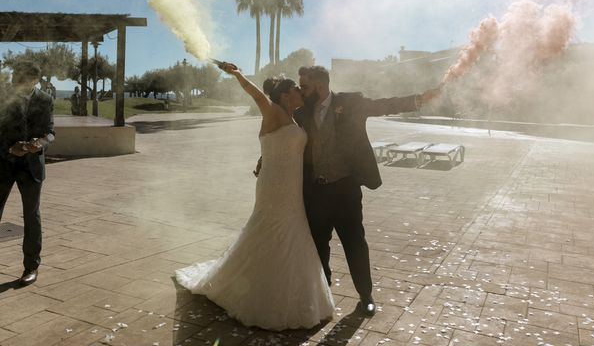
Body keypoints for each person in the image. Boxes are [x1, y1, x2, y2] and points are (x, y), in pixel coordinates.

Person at [175, 63, 334, 331]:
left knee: (293, 232)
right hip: (273, 187)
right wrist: (236, 74)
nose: (300, 93)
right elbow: (255, 93)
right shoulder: (272, 111)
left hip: (291, 188)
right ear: (285, 95)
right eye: (296, 89)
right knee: (269, 229)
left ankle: (294, 294)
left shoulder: (295, 117)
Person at [295, 65, 441, 317]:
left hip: (346, 190)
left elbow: (384, 105)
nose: (301, 90)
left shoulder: (351, 103)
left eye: (305, 85)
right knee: (319, 245)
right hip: (315, 192)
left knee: (355, 243)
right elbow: (286, 139)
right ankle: (324, 293)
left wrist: (418, 100)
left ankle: (366, 295)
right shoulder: (301, 112)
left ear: (320, 85)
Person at [0, 60, 55, 286]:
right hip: (3, 164)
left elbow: (50, 132)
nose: (17, 85)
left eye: (22, 81)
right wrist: (8, 148)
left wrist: (40, 143)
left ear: (34, 80)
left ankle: (31, 267)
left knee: (32, 217)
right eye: (15, 80)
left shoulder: (45, 99)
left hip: (32, 167)